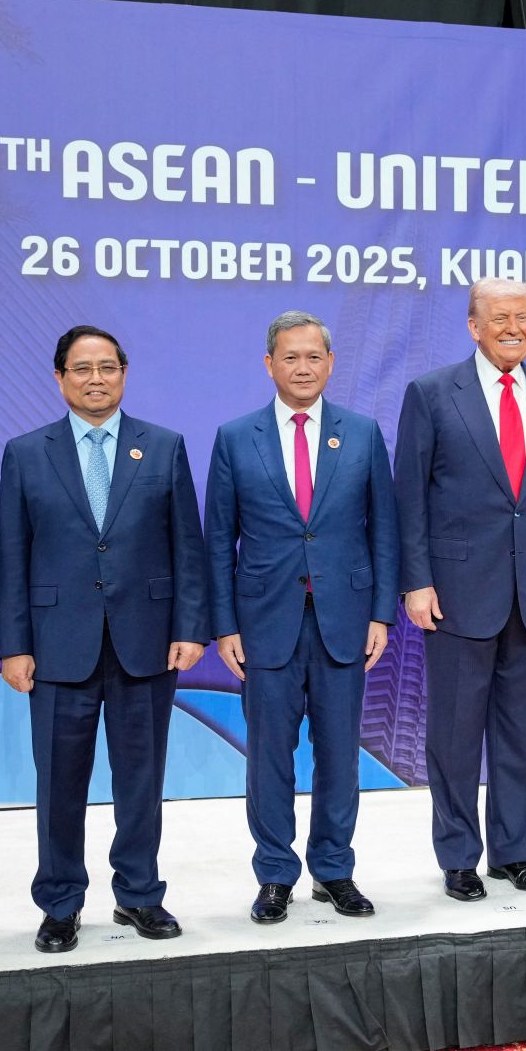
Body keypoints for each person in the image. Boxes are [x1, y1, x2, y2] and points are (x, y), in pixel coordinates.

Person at [0, 325, 207, 949]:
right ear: (59, 377)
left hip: (145, 641)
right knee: (59, 781)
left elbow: (186, 547)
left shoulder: (162, 447)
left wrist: (189, 628)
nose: (96, 379)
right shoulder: (26, 452)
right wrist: (15, 644)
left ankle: (139, 895)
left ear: (124, 373)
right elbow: (13, 555)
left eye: (108, 367)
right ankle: (60, 902)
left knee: (140, 778)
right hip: (57, 645)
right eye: (82, 368)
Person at [394, 277, 526, 901]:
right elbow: (409, 498)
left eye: (524, 317)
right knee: (453, 733)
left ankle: (514, 851)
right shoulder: (430, 394)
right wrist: (416, 582)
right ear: (473, 326)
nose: (513, 327)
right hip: (455, 592)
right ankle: (458, 856)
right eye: (500, 317)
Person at [205, 311, 399, 923]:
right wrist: (225, 625)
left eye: (314, 356)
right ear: (270, 365)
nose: (303, 367)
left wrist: (381, 614)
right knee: (269, 756)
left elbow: (384, 531)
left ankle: (334, 870)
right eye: (290, 357)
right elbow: (218, 540)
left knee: (340, 754)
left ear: (331, 363)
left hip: (345, 618)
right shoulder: (237, 437)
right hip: (264, 624)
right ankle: (275, 875)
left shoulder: (363, 433)